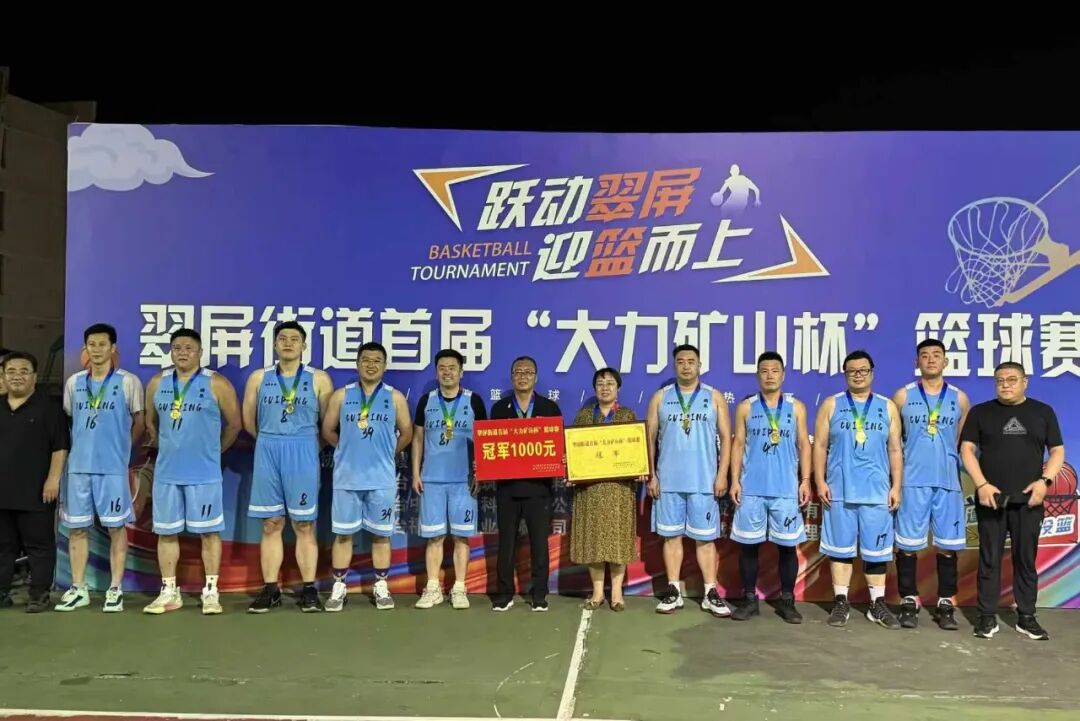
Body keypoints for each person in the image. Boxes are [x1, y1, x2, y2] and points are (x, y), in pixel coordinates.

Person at [961, 361, 1065, 641]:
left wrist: (1045, 482)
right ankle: (986, 616)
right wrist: (981, 484)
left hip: (1029, 501)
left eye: (1011, 379)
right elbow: (967, 450)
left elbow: (1057, 451)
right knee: (989, 560)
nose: (1005, 384)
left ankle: (1027, 616)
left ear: (1025, 382)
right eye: (1000, 380)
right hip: (991, 500)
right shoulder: (981, 412)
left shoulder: (1042, 412)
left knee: (1026, 560)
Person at [141, 329, 242, 615]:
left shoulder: (216, 383)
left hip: (204, 474)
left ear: (199, 352)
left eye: (188, 348)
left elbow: (235, 424)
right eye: (177, 348)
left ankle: (210, 591)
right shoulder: (157, 382)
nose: (182, 352)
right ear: (170, 352)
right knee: (166, 533)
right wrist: (165, 446)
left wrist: (214, 452)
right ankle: (169, 591)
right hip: (167, 473)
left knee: (209, 532)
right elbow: (150, 422)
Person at [242, 321, 334, 613]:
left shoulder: (319, 379)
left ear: (304, 346)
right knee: (271, 523)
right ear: (274, 344)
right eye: (282, 338)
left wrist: (308, 447)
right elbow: (248, 420)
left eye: (295, 339)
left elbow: (329, 425)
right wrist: (269, 442)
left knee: (303, 524)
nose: (288, 343)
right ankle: (270, 589)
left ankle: (309, 589)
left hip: (304, 449)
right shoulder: (259, 377)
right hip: (268, 448)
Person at [56, 323, 145, 613]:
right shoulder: (74, 383)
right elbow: (70, 421)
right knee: (77, 529)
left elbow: (139, 422)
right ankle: (78, 588)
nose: (96, 350)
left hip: (112, 469)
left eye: (102, 344)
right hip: (79, 469)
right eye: (91, 344)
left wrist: (122, 451)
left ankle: (115, 588)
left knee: (116, 528)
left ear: (112, 348)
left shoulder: (128, 382)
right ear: (85, 348)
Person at [813, 350, 903, 630]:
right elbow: (820, 446)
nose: (858, 375)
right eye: (852, 371)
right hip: (839, 490)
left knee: (877, 552)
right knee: (840, 549)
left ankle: (877, 604)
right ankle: (841, 601)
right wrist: (820, 481)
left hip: (877, 492)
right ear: (845, 374)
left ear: (872, 373)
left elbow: (895, 449)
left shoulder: (887, 407)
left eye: (863, 370)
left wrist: (896, 485)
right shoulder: (831, 404)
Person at [321, 342, 411, 611]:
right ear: (357, 364)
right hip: (346, 479)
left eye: (377, 361)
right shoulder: (341, 396)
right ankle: (339, 587)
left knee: (381, 536)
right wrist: (346, 450)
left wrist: (387, 453)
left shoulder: (395, 398)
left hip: (381, 479)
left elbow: (407, 432)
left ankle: (381, 585)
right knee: (343, 535)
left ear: (384, 366)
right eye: (366, 360)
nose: (371, 365)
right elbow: (327, 430)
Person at [646, 344, 732, 617]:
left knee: (705, 541)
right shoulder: (660, 397)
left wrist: (722, 474)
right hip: (668, 482)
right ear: (674, 366)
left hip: (704, 482)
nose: (686, 366)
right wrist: (652, 475)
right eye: (680, 361)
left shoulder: (714, 396)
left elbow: (727, 439)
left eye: (691, 361)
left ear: (699, 365)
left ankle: (710, 592)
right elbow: (649, 439)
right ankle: (673, 590)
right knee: (671, 538)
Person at [892, 339, 970, 631]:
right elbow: (894, 442)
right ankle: (908, 600)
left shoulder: (960, 399)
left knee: (947, 547)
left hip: (947, 482)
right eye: (924, 355)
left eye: (937, 355)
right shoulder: (902, 396)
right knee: (907, 546)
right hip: (912, 481)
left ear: (946, 361)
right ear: (917, 362)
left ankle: (945, 603)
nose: (931, 359)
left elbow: (961, 443)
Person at [728, 351, 811, 623]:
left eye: (775, 370)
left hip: (785, 490)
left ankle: (787, 601)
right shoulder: (746, 407)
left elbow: (804, 445)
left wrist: (805, 480)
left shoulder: (796, 407)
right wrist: (734, 480)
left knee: (787, 547)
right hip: (751, 488)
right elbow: (738, 445)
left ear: (783, 375)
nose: (769, 375)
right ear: (757, 375)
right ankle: (749, 599)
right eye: (764, 371)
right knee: (748, 547)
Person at [411, 349, 487, 610]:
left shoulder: (474, 401)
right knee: (434, 538)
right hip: (432, 479)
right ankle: (433, 588)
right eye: (442, 368)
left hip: (463, 481)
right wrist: (415, 473)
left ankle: (459, 588)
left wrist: (481, 472)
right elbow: (418, 439)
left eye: (452, 367)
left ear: (461, 372)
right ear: (436, 372)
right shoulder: (426, 401)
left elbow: (484, 439)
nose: (447, 372)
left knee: (461, 537)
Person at [489, 356, 562, 612]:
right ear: (512, 377)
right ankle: (504, 594)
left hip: (538, 488)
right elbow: (491, 446)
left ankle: (539, 594)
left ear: (536, 377)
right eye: (518, 372)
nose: (523, 376)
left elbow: (557, 444)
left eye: (528, 372)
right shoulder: (499, 409)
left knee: (539, 544)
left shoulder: (549, 408)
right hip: (507, 488)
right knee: (506, 545)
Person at [0, 352, 69, 612]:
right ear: (3, 376)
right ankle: (1, 592)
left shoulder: (49, 409)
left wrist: (53, 480)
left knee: (39, 546)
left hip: (37, 492)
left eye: (24, 371)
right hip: (2, 492)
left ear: (34, 376)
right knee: (3, 546)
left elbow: (60, 448)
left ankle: (39, 594)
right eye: (11, 371)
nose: (17, 376)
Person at [569, 367, 639, 612]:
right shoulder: (584, 416)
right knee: (594, 542)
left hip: (619, 489)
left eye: (610, 383)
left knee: (617, 541)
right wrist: (572, 470)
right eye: (600, 384)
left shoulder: (628, 415)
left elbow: (636, 452)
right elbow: (574, 451)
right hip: (590, 490)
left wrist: (640, 467)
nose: (605, 388)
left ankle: (617, 593)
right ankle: (598, 592)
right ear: (594, 389)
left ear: (618, 388)